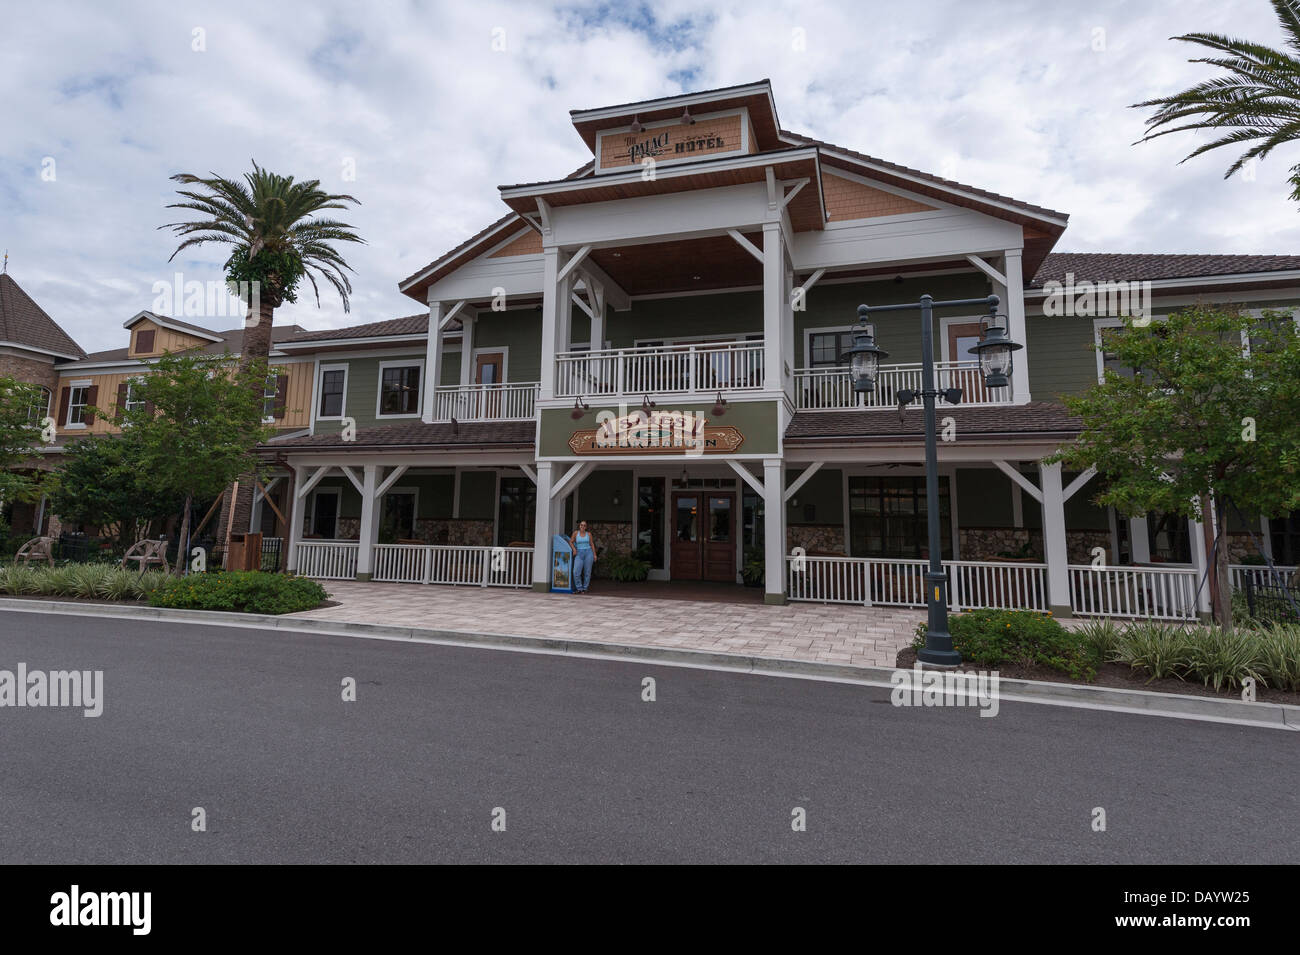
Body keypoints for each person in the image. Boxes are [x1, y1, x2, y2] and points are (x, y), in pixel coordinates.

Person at [569, 520, 597, 594]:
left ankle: (585, 588)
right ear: (579, 526)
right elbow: (570, 542)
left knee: (587, 572)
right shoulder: (575, 533)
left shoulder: (589, 534)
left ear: (586, 527)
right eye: (581, 525)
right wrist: (574, 549)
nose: (582, 526)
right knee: (575, 572)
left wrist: (594, 554)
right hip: (579, 553)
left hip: (588, 553)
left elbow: (592, 544)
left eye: (584, 525)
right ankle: (579, 588)